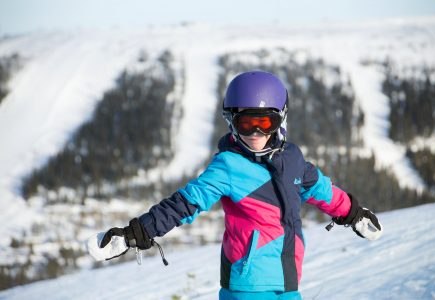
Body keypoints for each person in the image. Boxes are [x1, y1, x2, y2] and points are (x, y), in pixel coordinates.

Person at [87, 70, 383, 300]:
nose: (254, 132)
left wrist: (353, 213)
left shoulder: (292, 159)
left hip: (289, 282)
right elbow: (184, 204)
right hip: (246, 286)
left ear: (280, 121)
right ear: (231, 122)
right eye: (245, 123)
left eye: (264, 123)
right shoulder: (228, 167)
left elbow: (321, 189)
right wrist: (133, 234)